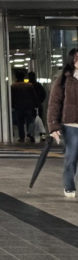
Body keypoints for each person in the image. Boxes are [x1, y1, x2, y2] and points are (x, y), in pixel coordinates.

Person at [48, 48, 78, 198]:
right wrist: (53, 126)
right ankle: (69, 186)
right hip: (71, 125)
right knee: (71, 157)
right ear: (72, 60)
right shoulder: (64, 79)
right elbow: (55, 103)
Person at [10, 69, 38, 143]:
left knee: (20, 123)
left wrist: (12, 105)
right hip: (29, 106)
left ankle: (21, 137)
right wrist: (36, 104)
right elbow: (33, 96)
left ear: (16, 77)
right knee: (30, 122)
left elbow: (12, 97)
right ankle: (30, 135)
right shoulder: (29, 85)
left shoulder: (13, 86)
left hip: (18, 106)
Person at [29, 71, 47, 140]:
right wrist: (40, 101)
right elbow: (44, 94)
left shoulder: (28, 85)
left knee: (31, 120)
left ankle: (31, 134)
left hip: (30, 105)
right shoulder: (38, 85)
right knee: (40, 119)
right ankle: (42, 134)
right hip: (38, 104)